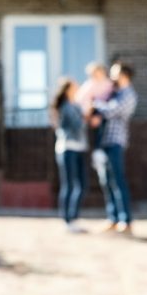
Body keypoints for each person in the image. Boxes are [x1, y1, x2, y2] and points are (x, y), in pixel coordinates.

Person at [93, 62, 137, 234]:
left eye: (115, 74)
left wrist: (96, 103)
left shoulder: (128, 95)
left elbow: (111, 111)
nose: (112, 77)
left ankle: (125, 220)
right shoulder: (115, 93)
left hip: (116, 142)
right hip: (105, 141)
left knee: (118, 180)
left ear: (124, 75)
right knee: (107, 181)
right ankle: (113, 218)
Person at [50, 77, 88, 233]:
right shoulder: (66, 107)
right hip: (67, 149)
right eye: (74, 86)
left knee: (82, 185)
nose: (78, 88)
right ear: (68, 90)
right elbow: (78, 124)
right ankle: (67, 220)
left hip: (79, 148)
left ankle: (74, 218)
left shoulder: (76, 106)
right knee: (69, 185)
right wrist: (88, 113)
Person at [74, 61, 113, 149]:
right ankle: (96, 150)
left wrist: (99, 114)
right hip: (92, 111)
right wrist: (89, 112)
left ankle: (99, 149)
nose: (95, 75)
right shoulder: (89, 85)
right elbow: (80, 99)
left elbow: (111, 100)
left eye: (97, 73)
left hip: (105, 112)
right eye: (93, 74)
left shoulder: (109, 84)